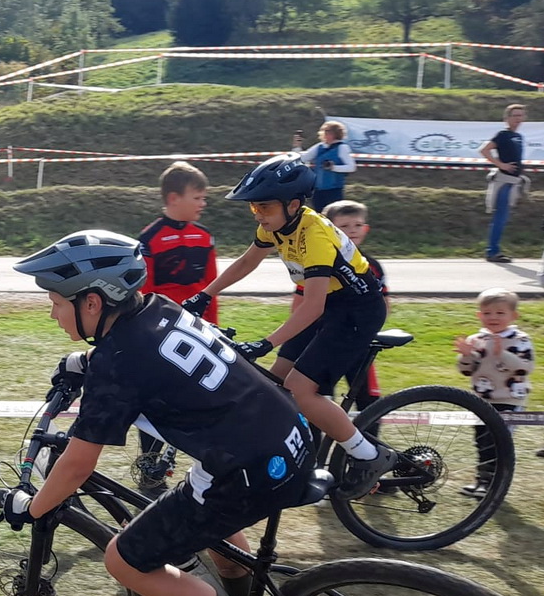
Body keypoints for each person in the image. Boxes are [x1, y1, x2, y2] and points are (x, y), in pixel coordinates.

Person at [11, 231, 317, 596]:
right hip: (288, 436)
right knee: (210, 515)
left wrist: (33, 508)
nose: (52, 313)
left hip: (247, 468)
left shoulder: (117, 363)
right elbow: (153, 354)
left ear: (92, 302)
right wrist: (85, 361)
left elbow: (76, 466)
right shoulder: (159, 307)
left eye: (56, 302)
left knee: (124, 560)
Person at [181, 153, 396, 500]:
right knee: (273, 384)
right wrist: (205, 295)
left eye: (264, 207)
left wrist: (267, 342)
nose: (258, 214)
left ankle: (369, 454)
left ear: (293, 204)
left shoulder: (315, 236)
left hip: (356, 311)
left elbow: (313, 306)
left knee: (301, 390)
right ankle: (290, 456)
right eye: (254, 207)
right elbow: (247, 261)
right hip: (328, 306)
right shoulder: (277, 225)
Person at [132, 161, 218, 493]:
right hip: (161, 334)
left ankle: (207, 472)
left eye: (204, 198)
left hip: (198, 332)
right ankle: (151, 472)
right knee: (156, 403)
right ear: (173, 198)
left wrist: (213, 328)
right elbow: (144, 291)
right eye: (197, 197)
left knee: (199, 401)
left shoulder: (205, 237)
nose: (203, 203)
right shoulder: (149, 238)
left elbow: (212, 286)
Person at [455, 288, 533, 498]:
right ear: (479, 315)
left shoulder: (520, 339)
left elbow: (525, 368)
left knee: (497, 442)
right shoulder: (477, 339)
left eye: (500, 313)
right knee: (482, 440)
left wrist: (502, 354)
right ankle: (483, 480)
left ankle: (494, 484)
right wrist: (466, 356)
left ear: (513, 316)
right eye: (487, 313)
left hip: (510, 399)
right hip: (481, 400)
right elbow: (466, 370)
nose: (493, 318)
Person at [318, 200, 388, 416]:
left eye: (357, 225)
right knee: (318, 396)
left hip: (360, 342)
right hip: (325, 340)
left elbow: (384, 303)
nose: (352, 230)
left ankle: (366, 438)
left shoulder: (372, 265)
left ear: (366, 228)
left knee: (369, 401)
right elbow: (300, 304)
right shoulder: (318, 260)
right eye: (344, 226)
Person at [479, 104, 528, 263]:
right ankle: (492, 252)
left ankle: (494, 250)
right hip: (504, 182)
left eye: (521, 115)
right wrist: (501, 165)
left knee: (503, 217)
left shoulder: (518, 136)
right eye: (515, 115)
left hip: (514, 181)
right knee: (500, 217)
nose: (518, 119)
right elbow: (484, 150)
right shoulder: (503, 135)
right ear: (507, 118)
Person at [292, 121, 356, 211]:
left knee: (334, 215)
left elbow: (351, 167)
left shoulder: (342, 147)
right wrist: (297, 147)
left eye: (329, 131)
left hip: (334, 190)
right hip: (318, 190)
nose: (325, 134)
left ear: (336, 133)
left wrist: (333, 167)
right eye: (325, 131)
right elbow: (301, 159)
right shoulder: (319, 147)